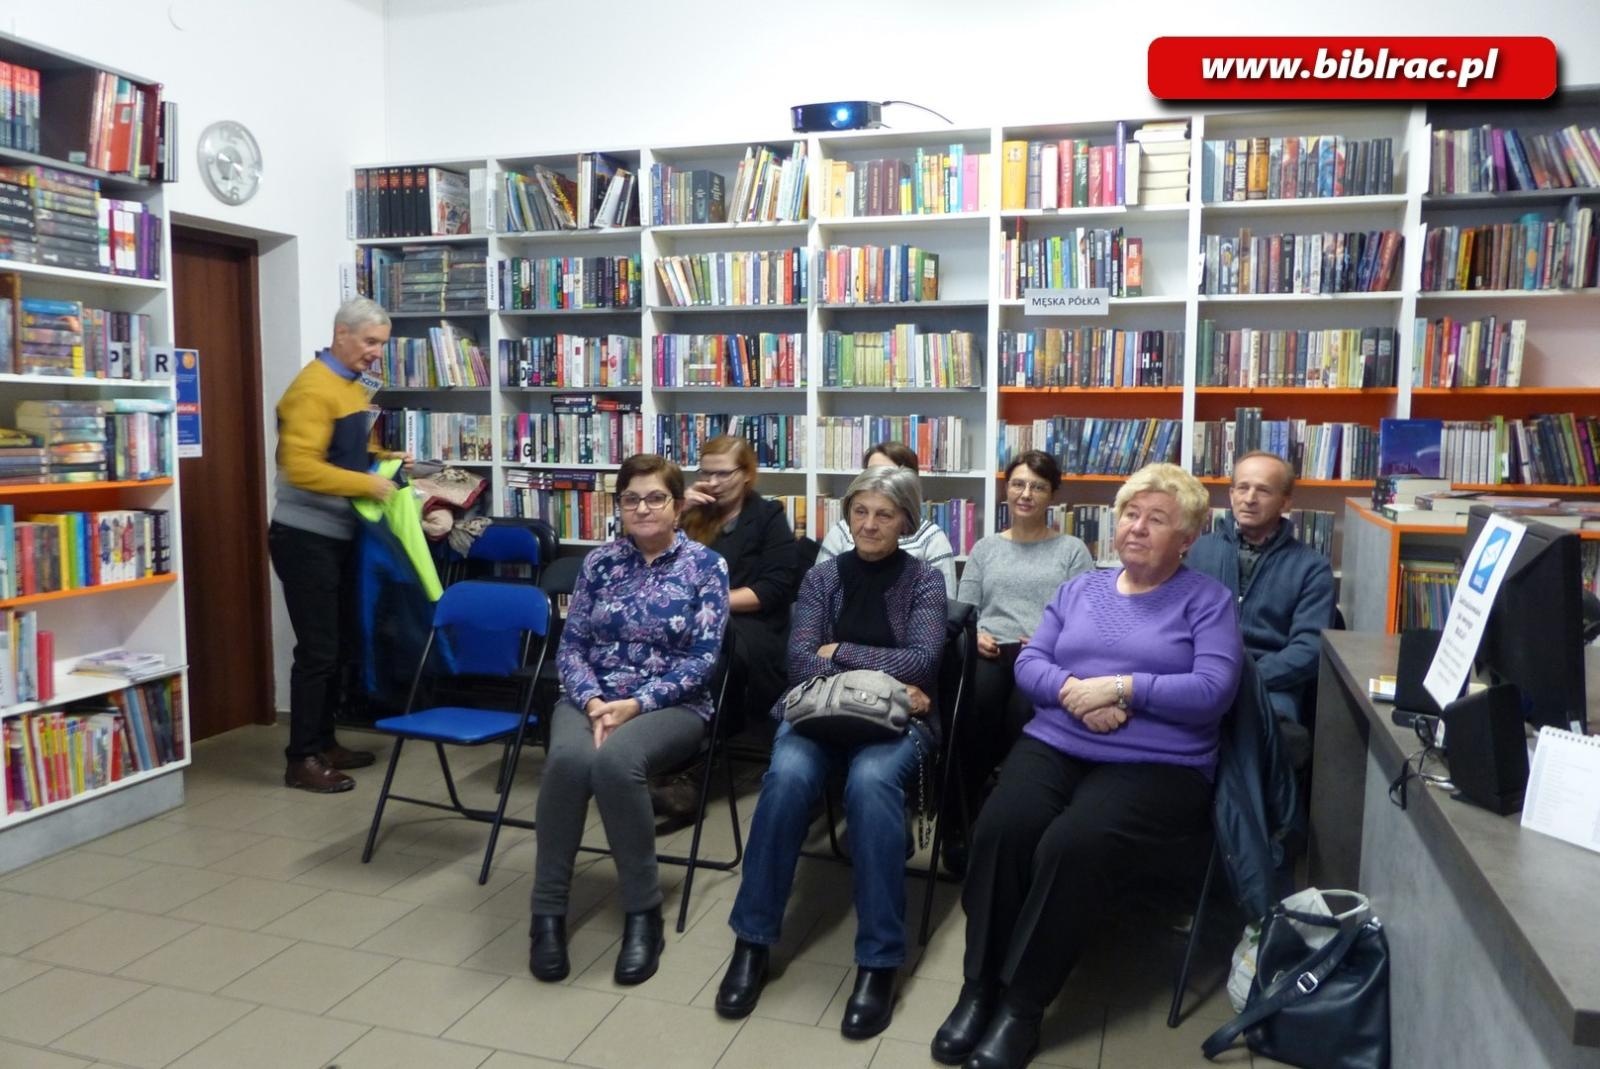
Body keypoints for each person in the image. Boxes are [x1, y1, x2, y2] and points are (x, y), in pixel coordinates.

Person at [932, 463, 1243, 1069]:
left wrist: (1123, 688)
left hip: (1160, 763)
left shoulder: (1208, 601)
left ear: (1187, 538)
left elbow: (1213, 690)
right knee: (1002, 829)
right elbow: (1030, 663)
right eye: (1130, 514)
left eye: (1158, 519)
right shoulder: (1081, 589)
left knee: (1074, 844)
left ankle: (1022, 1006)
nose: (1137, 528)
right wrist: (1078, 691)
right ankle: (979, 990)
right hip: (1058, 739)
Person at [716, 466, 947, 1039]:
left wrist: (840, 649)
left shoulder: (925, 583)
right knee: (788, 776)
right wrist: (877, 669)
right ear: (847, 516)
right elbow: (799, 662)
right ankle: (752, 941)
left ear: (906, 522)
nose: (869, 524)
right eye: (860, 512)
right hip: (817, 715)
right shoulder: (821, 578)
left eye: (884, 514)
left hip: (894, 724)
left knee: (870, 786)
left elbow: (923, 664)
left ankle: (878, 960)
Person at [528, 454, 730, 987]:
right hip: (590, 700)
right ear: (619, 506)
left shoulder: (706, 567)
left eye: (655, 498)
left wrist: (637, 703)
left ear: (678, 505)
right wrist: (594, 701)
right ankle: (547, 912)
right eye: (631, 499)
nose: (643, 508)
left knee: (617, 763)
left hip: (671, 705)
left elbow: (704, 660)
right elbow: (570, 648)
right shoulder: (599, 564)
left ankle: (643, 913)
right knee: (570, 760)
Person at [268, 296, 405, 794]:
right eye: (370, 342)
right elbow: (299, 466)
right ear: (341, 334)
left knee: (339, 643)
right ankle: (301, 758)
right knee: (318, 651)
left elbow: (346, 451)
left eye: (381, 345)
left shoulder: (349, 386)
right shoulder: (310, 389)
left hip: (338, 535)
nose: (375, 354)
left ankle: (324, 743)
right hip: (304, 537)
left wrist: (383, 457)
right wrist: (368, 485)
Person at [947, 450, 1093, 870]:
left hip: (1044, 655)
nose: (1026, 494)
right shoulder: (985, 548)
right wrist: (977, 637)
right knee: (975, 707)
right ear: (1006, 488)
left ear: (1052, 495)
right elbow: (966, 610)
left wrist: (1049, 642)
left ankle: (1010, 819)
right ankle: (961, 817)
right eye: (1018, 484)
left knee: (1024, 713)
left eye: (1038, 487)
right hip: (991, 649)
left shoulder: (1071, 548)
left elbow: (1080, 617)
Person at [648, 434, 799, 818]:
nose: (712, 483)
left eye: (723, 474)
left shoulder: (768, 518)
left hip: (752, 628)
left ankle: (690, 774)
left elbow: (775, 589)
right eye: (705, 473)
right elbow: (649, 561)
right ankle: (651, 751)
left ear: (746, 474)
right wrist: (675, 513)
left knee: (714, 649)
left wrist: (712, 604)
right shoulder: (693, 514)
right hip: (688, 623)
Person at [1186, 450, 1335, 726]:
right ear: (1231, 495)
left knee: (1273, 737)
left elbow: (1310, 649)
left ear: (1285, 502)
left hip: (1271, 685)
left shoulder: (1311, 567)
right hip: (1200, 674)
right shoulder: (1200, 551)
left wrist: (1242, 677)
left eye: (1263, 490)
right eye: (1242, 488)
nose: (1250, 499)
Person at [817, 441, 957, 596]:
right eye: (871, 473)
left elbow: (945, 603)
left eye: (888, 474)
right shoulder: (841, 532)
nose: (878, 480)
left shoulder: (932, 539)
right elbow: (821, 589)